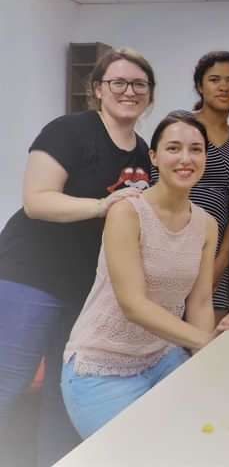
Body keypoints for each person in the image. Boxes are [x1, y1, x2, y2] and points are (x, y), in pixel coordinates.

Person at [0, 48, 154, 465]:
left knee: (62, 390)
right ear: (98, 90)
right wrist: (103, 205)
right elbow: (37, 200)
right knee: (8, 382)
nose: (128, 91)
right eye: (117, 82)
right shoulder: (69, 131)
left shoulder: (142, 150)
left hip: (85, 288)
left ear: (150, 95)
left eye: (139, 84)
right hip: (30, 274)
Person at [61, 111, 229, 439]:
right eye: (173, 148)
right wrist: (206, 340)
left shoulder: (206, 223)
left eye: (196, 149)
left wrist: (202, 356)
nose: (186, 159)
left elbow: (201, 301)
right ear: (154, 156)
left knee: (202, 440)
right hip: (102, 367)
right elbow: (133, 303)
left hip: (163, 356)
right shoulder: (128, 211)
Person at [151, 51, 229, 323]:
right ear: (199, 85)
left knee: (206, 341)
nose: (223, 87)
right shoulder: (180, 126)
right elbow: (154, 183)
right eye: (214, 79)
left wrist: (223, 259)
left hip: (216, 249)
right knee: (164, 334)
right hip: (169, 245)